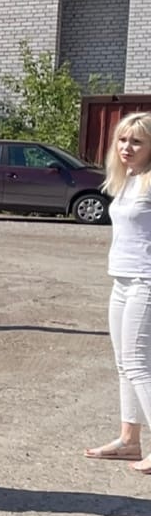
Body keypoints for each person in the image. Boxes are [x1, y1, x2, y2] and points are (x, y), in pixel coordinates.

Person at [85, 112, 151, 474]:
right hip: (123, 279)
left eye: (137, 141)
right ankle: (129, 441)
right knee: (125, 364)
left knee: (140, 364)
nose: (127, 147)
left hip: (146, 281)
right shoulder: (129, 180)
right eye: (123, 140)